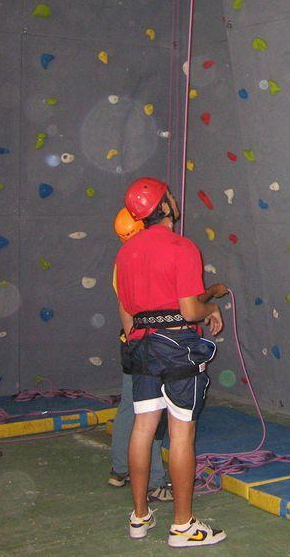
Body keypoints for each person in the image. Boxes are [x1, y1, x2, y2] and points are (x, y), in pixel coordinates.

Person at [114, 177, 227, 545]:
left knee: (143, 428)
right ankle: (182, 525)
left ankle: (139, 516)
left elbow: (129, 314)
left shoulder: (126, 253)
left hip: (142, 346)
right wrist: (211, 306)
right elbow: (190, 309)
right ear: (164, 207)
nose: (176, 200)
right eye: (171, 197)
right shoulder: (183, 247)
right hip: (178, 345)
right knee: (181, 433)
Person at [108, 207, 171, 504]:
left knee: (128, 407)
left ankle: (120, 468)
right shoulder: (143, 259)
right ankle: (156, 481)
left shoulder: (123, 259)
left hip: (130, 341)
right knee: (152, 415)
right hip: (148, 343)